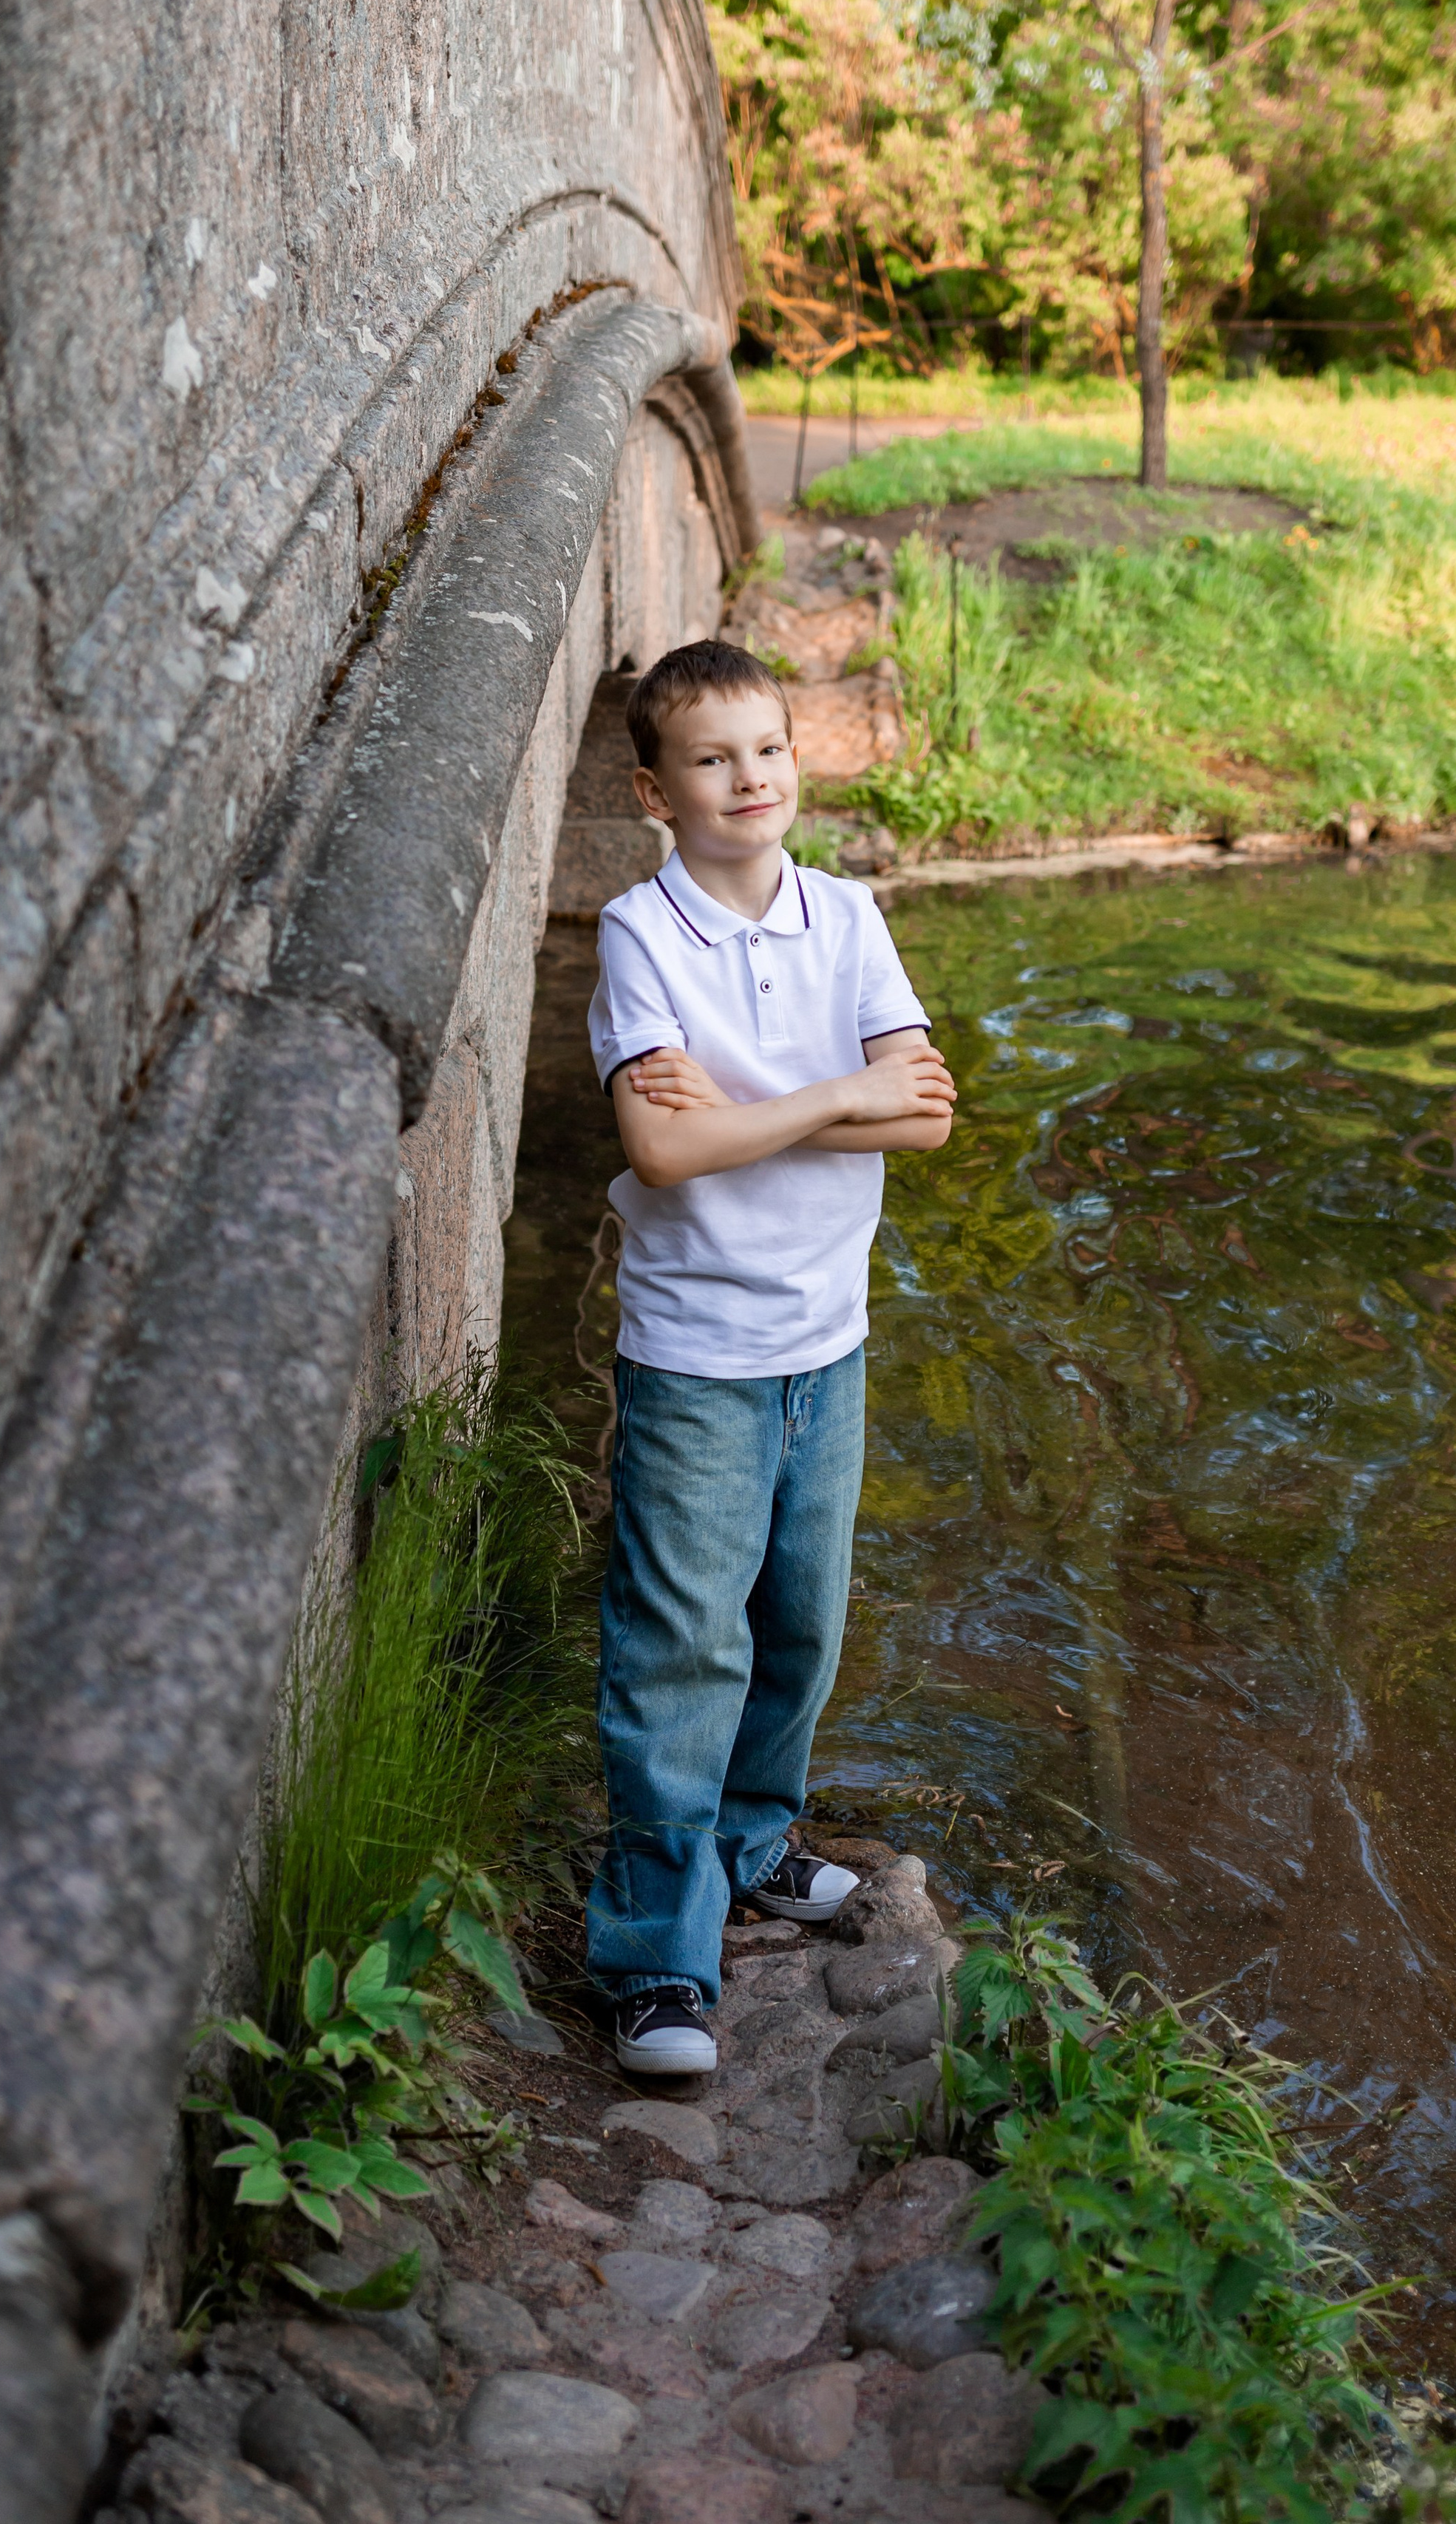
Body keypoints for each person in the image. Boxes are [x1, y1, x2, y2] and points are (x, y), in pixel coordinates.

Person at [584, 636, 956, 2077]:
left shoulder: (847, 914)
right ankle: (653, 1960)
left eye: (767, 749)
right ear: (653, 788)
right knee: (680, 1646)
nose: (748, 778)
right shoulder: (638, 933)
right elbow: (662, 1148)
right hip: (696, 1355)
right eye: (710, 757)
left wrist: (770, 1102)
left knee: (797, 1621)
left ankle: (751, 1841)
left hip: (828, 1342)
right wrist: (839, 1090)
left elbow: (922, 1117)